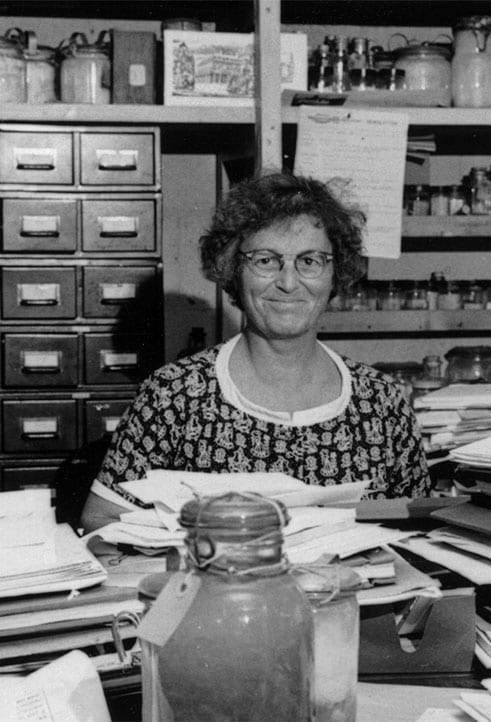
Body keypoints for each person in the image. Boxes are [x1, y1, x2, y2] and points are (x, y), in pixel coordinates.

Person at [80, 172, 431, 531]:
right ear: (234, 269)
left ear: (334, 273)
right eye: (266, 260)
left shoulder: (381, 403)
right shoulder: (175, 395)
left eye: (310, 261)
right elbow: (102, 521)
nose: (289, 282)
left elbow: (418, 525)